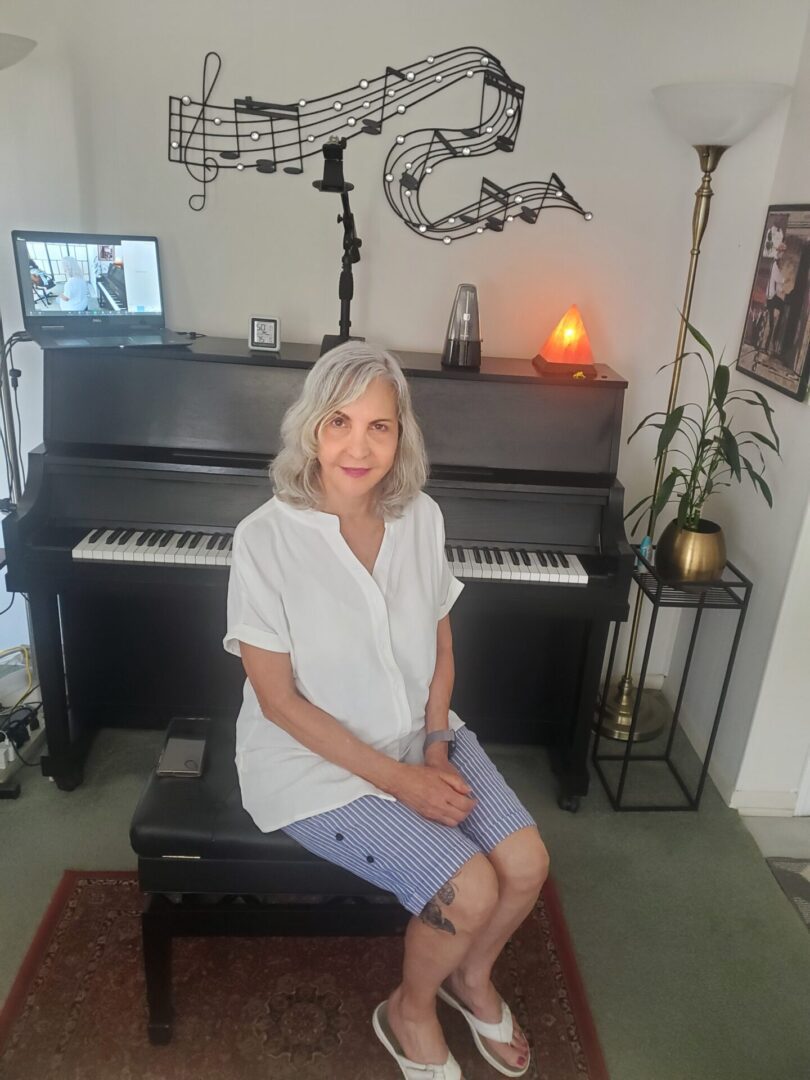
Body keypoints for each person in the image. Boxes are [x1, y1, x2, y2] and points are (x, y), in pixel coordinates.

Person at [223, 341, 549, 1079]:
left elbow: (441, 637)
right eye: (339, 422)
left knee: (525, 865)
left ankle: (471, 979)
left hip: (419, 733)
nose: (358, 446)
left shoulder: (420, 517)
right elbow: (277, 702)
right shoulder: (264, 540)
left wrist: (435, 741)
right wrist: (402, 783)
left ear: (402, 433)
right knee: (468, 889)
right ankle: (409, 1008)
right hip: (311, 762)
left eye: (379, 426)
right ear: (311, 427)